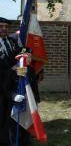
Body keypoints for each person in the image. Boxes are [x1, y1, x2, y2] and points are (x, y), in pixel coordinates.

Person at [0, 17, 28, 146]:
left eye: (6, 26)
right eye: (1, 26)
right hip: (1, 87)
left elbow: (19, 60)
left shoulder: (12, 41)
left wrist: (26, 54)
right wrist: (11, 70)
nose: (4, 29)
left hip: (12, 86)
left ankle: (10, 140)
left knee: (9, 117)